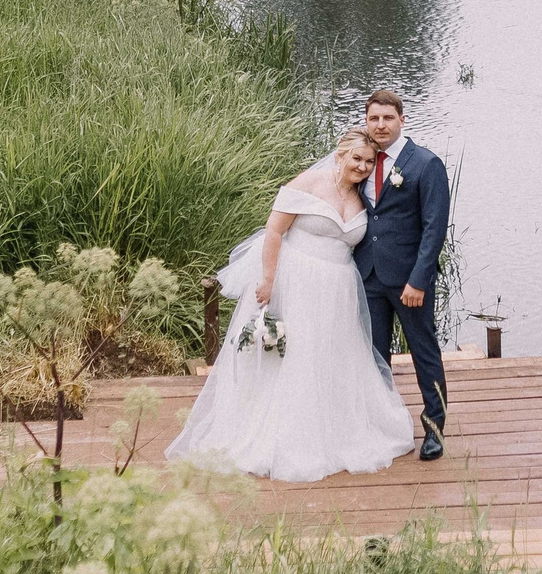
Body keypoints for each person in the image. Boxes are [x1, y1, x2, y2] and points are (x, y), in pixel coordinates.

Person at [165, 130, 415, 481]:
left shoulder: (364, 198)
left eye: (369, 161)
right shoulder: (309, 182)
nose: (361, 166)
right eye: (356, 158)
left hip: (338, 288)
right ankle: (284, 434)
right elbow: (274, 231)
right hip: (296, 280)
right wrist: (267, 280)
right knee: (293, 355)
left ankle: (332, 427)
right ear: (340, 155)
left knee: (329, 354)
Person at [354, 90, 451, 461]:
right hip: (369, 276)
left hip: (410, 280)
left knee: (423, 351)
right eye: (374, 118)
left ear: (402, 120)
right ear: (367, 120)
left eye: (387, 118)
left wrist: (419, 280)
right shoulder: (361, 161)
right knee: (376, 355)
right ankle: (384, 425)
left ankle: (434, 430)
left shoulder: (425, 164)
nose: (380, 125)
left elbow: (434, 228)